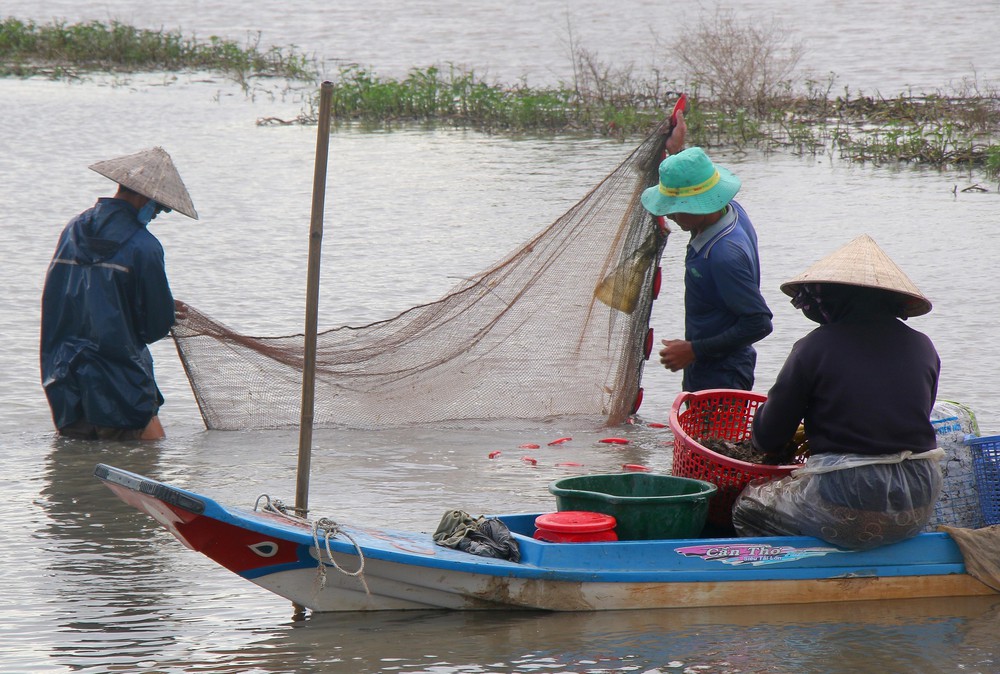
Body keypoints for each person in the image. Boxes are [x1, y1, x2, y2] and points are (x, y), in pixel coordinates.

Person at [732, 234, 944, 550]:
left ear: (833, 299)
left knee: (748, 508)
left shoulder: (814, 347)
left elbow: (769, 437)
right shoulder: (924, 346)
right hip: (918, 499)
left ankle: (803, 571)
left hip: (848, 495)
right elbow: (905, 416)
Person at [40, 147, 198, 441]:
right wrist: (165, 310)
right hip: (121, 381)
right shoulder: (145, 246)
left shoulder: (73, 230)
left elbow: (68, 296)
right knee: (150, 457)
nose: (156, 215)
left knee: (79, 463)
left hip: (63, 376)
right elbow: (154, 327)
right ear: (145, 199)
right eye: (159, 209)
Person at [640, 132, 772, 392]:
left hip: (724, 375)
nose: (671, 215)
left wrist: (694, 350)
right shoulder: (731, 209)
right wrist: (677, 152)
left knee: (714, 422)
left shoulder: (723, 256)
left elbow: (759, 323)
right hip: (705, 364)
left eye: (677, 207)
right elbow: (695, 182)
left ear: (701, 206)